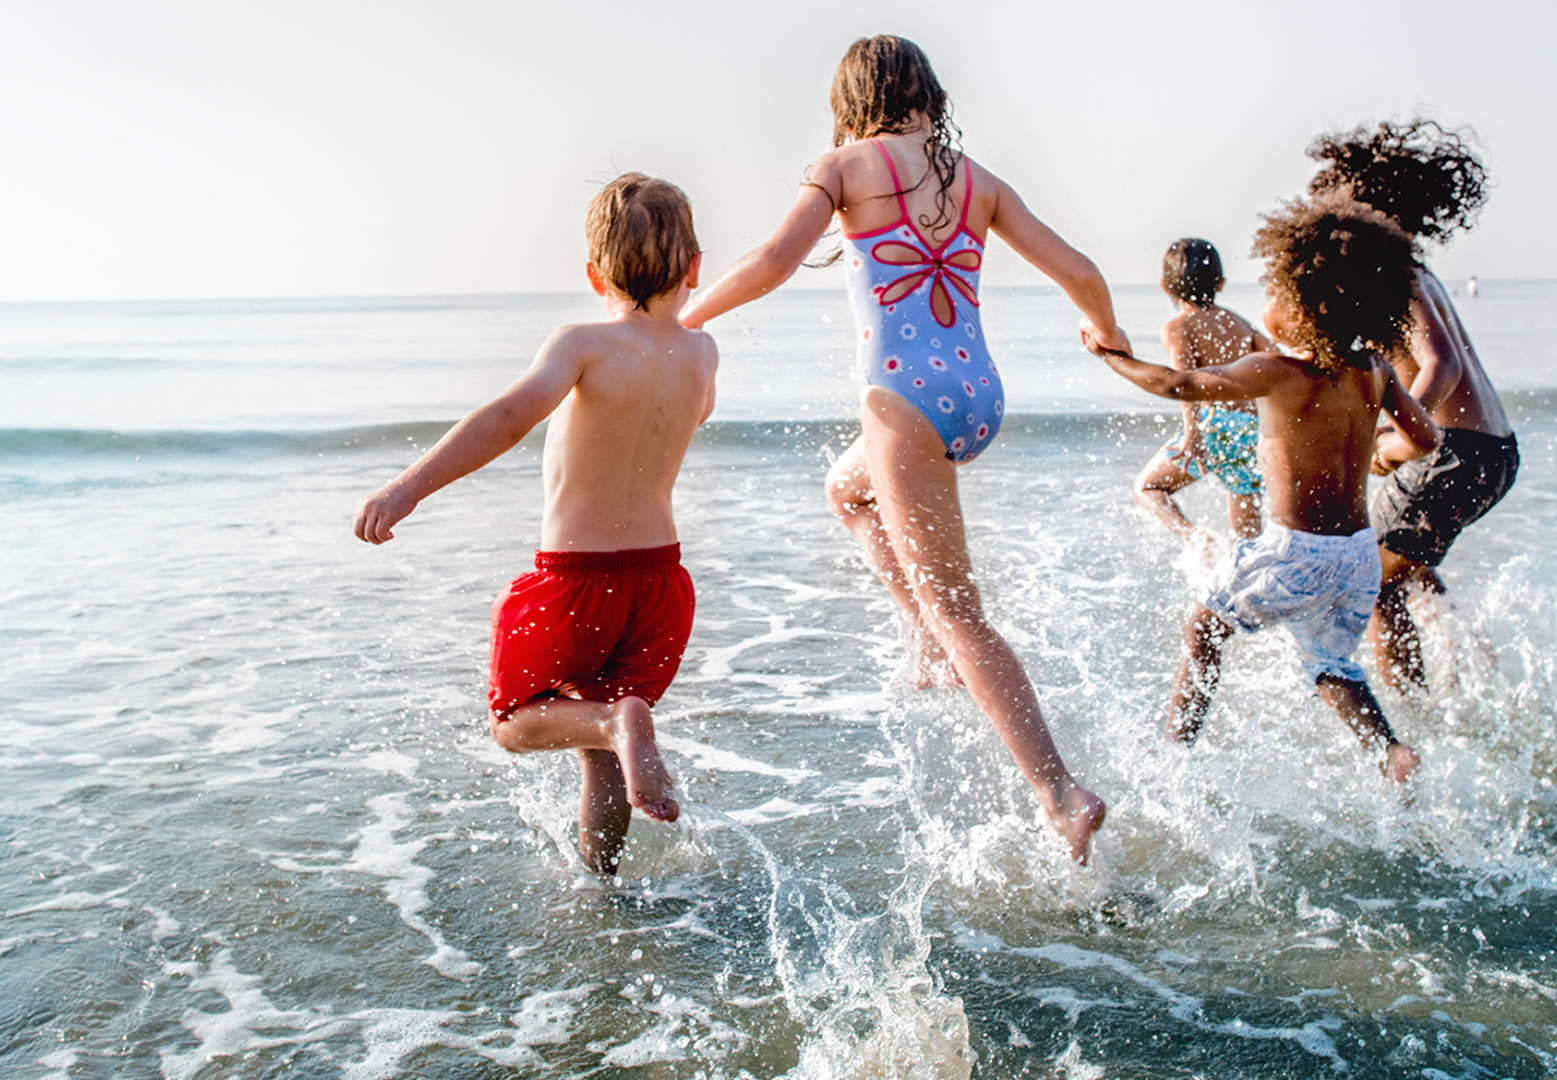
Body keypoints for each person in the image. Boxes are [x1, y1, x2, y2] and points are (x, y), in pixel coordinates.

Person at [677, 35, 1117, 863]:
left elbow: (773, 262)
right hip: (975, 396)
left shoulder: (845, 165)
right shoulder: (975, 177)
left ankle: (1059, 791)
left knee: (963, 614)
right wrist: (1107, 331)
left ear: (851, 98)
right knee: (848, 492)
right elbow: (1082, 270)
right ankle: (926, 641)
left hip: (902, 402)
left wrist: (686, 318)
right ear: (927, 91)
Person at [353, 173, 718, 875]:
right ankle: (603, 888)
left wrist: (407, 490)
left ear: (593, 274)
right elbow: (690, 416)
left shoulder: (581, 343)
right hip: (660, 584)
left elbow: (506, 417)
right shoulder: (702, 354)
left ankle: (619, 727)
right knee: (601, 752)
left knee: (517, 724)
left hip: (575, 582)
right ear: (695, 269)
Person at [1093, 195, 1439, 784]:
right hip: (1357, 555)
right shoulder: (1375, 369)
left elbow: (1177, 384)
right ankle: (1391, 753)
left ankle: (1172, 755)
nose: (1268, 304)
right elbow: (1425, 439)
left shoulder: (1280, 372)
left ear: (1306, 304)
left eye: (1277, 293)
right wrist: (1380, 454)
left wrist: (1112, 357)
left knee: (1203, 628)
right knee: (1330, 663)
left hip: (1295, 551)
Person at [1304, 119, 1520, 691]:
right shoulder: (1415, 272)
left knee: (1371, 584)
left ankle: (1411, 711)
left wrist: (1399, 438)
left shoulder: (1398, 275)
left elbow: (1441, 365)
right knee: (1408, 564)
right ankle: (1468, 669)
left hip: (1454, 453)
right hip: (1492, 453)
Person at [1132, 238, 1270, 552]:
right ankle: (1245, 578)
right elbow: (1276, 360)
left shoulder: (1180, 327)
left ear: (1165, 287)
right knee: (1247, 538)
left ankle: (1195, 538)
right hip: (1251, 428)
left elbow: (1185, 382)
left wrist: (1193, 432)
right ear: (1220, 283)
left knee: (1148, 487)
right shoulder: (1241, 324)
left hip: (1213, 423)